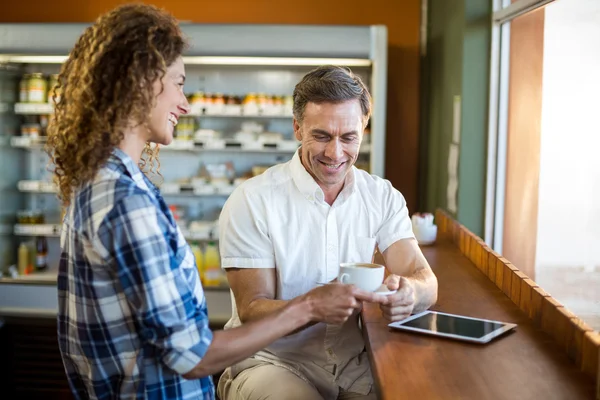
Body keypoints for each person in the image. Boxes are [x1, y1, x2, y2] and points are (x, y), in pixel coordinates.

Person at [47, 6, 388, 400]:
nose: (185, 102)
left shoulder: (100, 185)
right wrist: (310, 306)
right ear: (139, 84)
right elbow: (192, 356)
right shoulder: (126, 203)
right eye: (177, 83)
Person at [217, 65, 439, 400]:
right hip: (269, 361)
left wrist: (411, 294)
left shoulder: (381, 196)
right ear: (297, 128)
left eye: (348, 137)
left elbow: (424, 277)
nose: (335, 153)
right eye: (321, 136)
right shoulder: (253, 200)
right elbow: (251, 310)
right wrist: (313, 305)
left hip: (353, 363)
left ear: (363, 129)